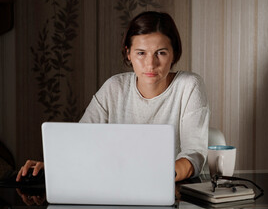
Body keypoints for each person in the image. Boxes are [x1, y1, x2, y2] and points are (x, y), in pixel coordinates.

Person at [17, 11, 210, 182]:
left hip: (171, 190)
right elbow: (82, 141)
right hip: (114, 186)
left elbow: (194, 154)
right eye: (141, 53)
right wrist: (52, 167)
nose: (151, 64)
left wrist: (160, 176)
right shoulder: (114, 87)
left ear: (174, 54)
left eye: (161, 53)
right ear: (128, 54)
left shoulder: (189, 85)